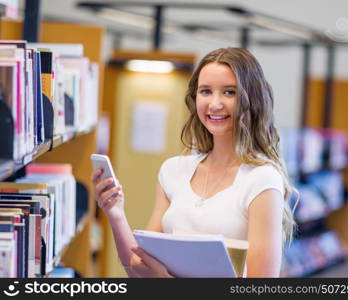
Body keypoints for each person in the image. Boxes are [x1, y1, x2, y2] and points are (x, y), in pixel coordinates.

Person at [91, 47, 296, 278]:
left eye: (229, 92)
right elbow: (137, 267)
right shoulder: (173, 171)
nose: (215, 103)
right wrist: (115, 213)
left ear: (252, 99)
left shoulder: (261, 179)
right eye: (205, 91)